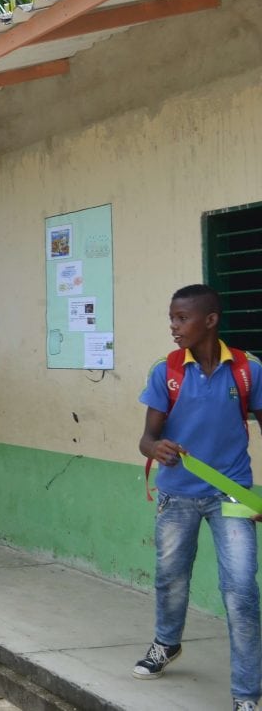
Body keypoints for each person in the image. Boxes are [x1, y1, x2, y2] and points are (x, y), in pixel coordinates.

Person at [134, 284, 262, 711]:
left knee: (241, 591)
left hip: (232, 496)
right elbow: (147, 439)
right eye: (171, 318)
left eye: (181, 318)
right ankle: (167, 643)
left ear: (210, 320)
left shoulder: (247, 369)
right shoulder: (166, 371)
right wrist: (157, 448)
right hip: (177, 495)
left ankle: (247, 694)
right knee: (171, 579)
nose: (173, 327)